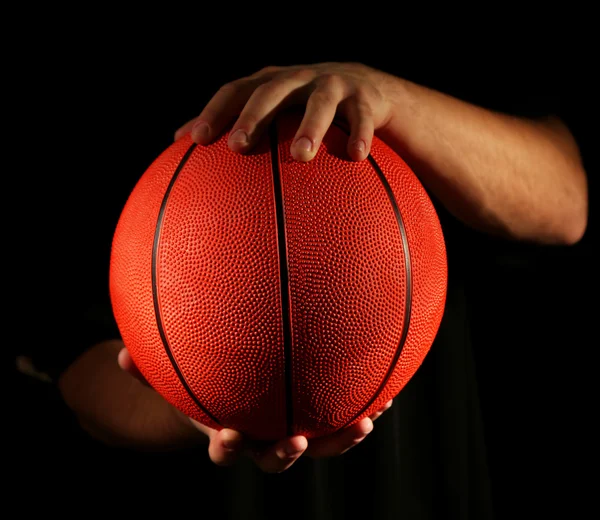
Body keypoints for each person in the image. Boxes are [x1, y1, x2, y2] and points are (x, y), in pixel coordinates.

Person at [16, 52, 592, 519]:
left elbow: (566, 198)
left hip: (428, 464)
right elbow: (68, 360)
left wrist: (396, 101)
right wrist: (197, 404)